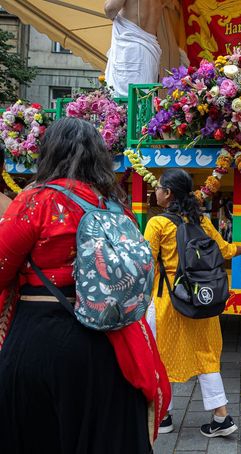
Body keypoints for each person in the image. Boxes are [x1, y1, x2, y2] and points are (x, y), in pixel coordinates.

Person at [0, 117, 169, 453]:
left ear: (48, 153)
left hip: (39, 339)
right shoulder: (116, 207)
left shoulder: (35, 201)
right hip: (108, 344)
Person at [144, 168, 241, 438]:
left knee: (160, 357)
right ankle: (221, 417)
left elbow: (144, 264)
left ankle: (163, 416)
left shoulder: (157, 224)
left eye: (158, 187)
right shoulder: (201, 221)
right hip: (201, 301)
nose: (154, 191)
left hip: (168, 302)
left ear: (168, 193)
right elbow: (224, 249)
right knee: (206, 356)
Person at [104, 0, 163, 98]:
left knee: (125, 102)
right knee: (143, 99)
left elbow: (110, 9)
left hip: (130, 53)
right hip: (149, 52)